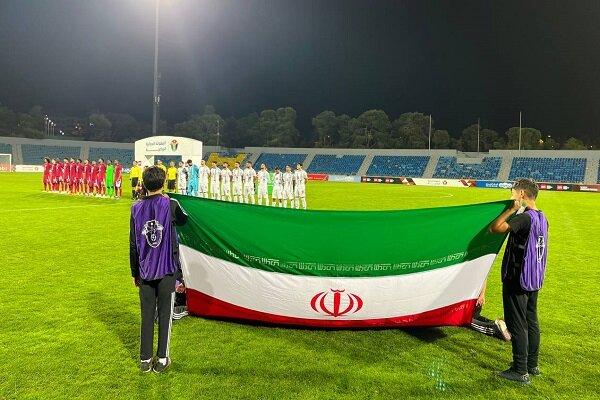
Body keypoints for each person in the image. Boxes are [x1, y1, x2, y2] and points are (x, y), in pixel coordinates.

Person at [489, 179, 549, 384]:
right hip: (534, 277)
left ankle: (520, 370)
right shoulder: (542, 217)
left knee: (517, 323)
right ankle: (532, 365)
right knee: (531, 320)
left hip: (518, 277)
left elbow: (496, 228)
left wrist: (511, 210)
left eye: (513, 191)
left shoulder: (524, 218)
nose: (511, 194)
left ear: (522, 193)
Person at [130, 166, 188, 373]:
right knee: (165, 314)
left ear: (143, 184)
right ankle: (162, 359)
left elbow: (133, 243)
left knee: (146, 315)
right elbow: (184, 219)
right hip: (166, 270)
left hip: (145, 271)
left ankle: (145, 360)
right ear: (163, 183)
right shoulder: (171, 204)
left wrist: (134, 272)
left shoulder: (135, 208)